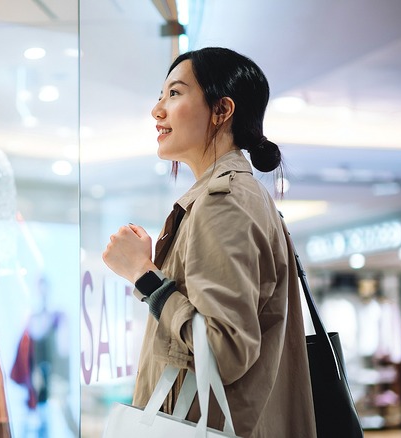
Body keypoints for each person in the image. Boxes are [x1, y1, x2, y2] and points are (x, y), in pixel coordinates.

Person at [101, 47, 316, 437]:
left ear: (221, 111)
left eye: (175, 93)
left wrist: (143, 274)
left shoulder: (223, 203)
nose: (157, 111)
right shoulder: (236, 196)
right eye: (160, 95)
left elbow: (224, 350)